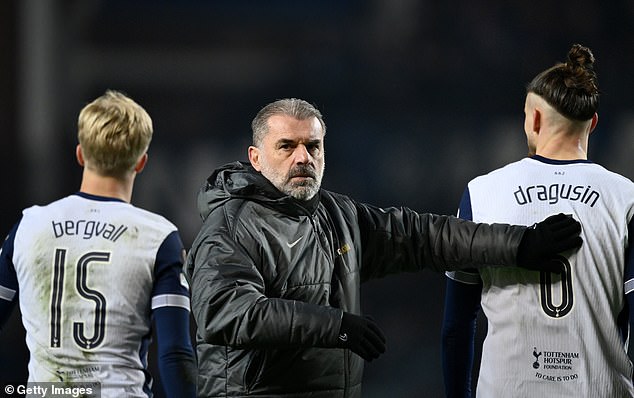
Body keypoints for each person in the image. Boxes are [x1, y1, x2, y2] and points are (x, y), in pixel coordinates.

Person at [185, 97, 583, 397]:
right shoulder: (230, 227)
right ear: (256, 158)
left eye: (313, 146)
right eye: (287, 146)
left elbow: (425, 237)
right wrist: (336, 326)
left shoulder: (338, 216)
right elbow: (226, 313)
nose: (304, 157)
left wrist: (520, 243)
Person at [441, 44, 634, 397]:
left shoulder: (480, 193)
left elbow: (456, 326)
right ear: (592, 123)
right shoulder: (626, 199)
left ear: (535, 119)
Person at [0, 90, 197, 397]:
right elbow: (174, 354)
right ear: (142, 162)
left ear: (80, 154)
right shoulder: (159, 237)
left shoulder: (28, 227)